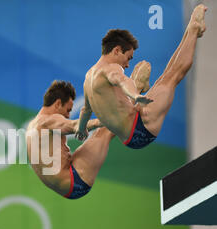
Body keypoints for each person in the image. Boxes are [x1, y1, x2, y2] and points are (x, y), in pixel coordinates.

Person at [76, 4, 207, 149]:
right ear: (117, 50)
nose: (127, 64)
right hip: (141, 126)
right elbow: (122, 80)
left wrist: (82, 129)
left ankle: (190, 30)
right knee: (172, 76)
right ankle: (194, 29)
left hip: (130, 138)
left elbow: (86, 110)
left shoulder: (88, 77)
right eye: (128, 58)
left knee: (166, 77)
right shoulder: (111, 69)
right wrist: (135, 94)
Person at [26, 80, 114, 199]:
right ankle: (138, 99)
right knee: (106, 130)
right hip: (76, 180)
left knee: (105, 130)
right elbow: (74, 126)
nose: (68, 115)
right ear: (57, 104)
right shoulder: (48, 121)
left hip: (64, 189)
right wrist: (102, 121)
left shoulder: (31, 126)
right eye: (68, 110)